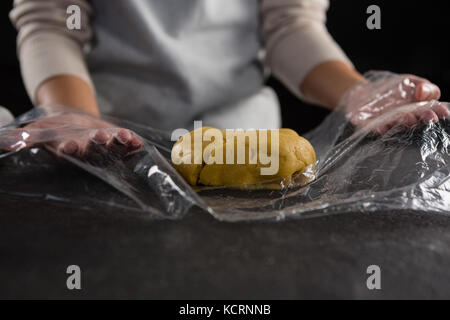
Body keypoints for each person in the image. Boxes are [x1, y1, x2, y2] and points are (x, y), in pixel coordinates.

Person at [9, 0, 449, 159]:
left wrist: (358, 91)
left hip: (244, 140)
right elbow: (52, 25)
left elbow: (289, 26)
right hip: (106, 140)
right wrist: (72, 114)